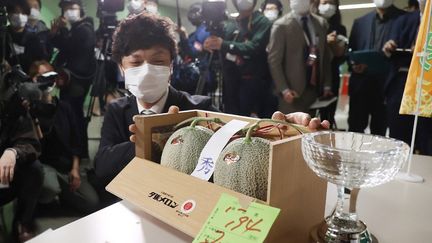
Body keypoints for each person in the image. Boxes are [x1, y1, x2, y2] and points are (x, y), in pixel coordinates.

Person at [93, 13, 218, 204]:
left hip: (184, 204)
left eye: (158, 61)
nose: (147, 70)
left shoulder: (199, 109)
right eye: (136, 62)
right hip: (131, 204)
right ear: (121, 68)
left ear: (171, 66)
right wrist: (148, 142)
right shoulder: (117, 110)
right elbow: (102, 166)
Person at [28, 61, 100, 213]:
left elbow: (76, 141)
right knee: (50, 187)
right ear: (33, 79)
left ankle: (62, 193)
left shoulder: (64, 107)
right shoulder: (29, 109)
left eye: (51, 77)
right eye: (42, 77)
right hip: (43, 165)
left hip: (65, 167)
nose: (48, 81)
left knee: (91, 202)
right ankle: (39, 197)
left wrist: (75, 169)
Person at [204, 0, 277, 117]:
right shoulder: (231, 23)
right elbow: (224, 49)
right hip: (230, 80)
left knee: (248, 118)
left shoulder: (262, 21)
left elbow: (254, 47)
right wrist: (211, 44)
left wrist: (224, 45)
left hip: (252, 81)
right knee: (231, 116)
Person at [347, 0, 405, 135]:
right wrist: (354, 65)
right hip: (361, 87)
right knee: (355, 132)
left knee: (380, 133)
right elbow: (350, 54)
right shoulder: (360, 22)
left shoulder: (404, 20)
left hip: (387, 88)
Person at [382, 0, 431, 155]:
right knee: (399, 139)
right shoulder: (403, 20)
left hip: (428, 88)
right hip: (401, 85)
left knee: (427, 139)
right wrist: (389, 47)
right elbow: (389, 49)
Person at [267, 0, 332, 114]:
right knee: (291, 129)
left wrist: (327, 85)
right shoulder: (281, 25)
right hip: (292, 92)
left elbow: (325, 56)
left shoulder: (320, 23)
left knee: (311, 128)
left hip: (314, 89)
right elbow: (274, 61)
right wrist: (284, 89)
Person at [50, 0, 97, 159]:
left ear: (81, 10)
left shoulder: (85, 29)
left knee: (74, 116)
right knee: (73, 115)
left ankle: (79, 153)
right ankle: (76, 152)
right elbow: (66, 48)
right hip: (74, 80)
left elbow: (69, 49)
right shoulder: (76, 29)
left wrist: (61, 31)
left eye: (73, 8)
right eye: (66, 9)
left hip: (76, 81)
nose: (69, 11)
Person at [0, 88, 43, 242]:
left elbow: (31, 141)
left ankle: (22, 222)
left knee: (34, 169)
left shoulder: (12, 105)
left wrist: (13, 152)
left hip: (5, 177)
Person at [313, 0, 347, 128]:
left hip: (332, 75)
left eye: (331, 3)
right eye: (324, 2)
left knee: (328, 115)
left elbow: (340, 54)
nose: (327, 6)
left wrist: (333, 44)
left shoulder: (339, 28)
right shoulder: (311, 24)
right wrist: (323, 41)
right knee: (309, 115)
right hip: (312, 76)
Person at [2, 0, 48, 73]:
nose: (20, 16)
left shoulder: (34, 40)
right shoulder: (2, 35)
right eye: (16, 12)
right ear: (8, 15)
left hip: (25, 81)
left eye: (23, 13)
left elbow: (41, 62)